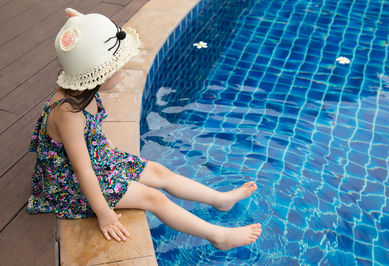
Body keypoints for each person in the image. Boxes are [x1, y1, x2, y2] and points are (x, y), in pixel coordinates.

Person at [26, 8, 262, 251]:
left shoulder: (84, 92)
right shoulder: (68, 114)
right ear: (100, 74)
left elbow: (92, 138)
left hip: (97, 162)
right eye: (117, 67)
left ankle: (219, 200)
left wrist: (111, 156)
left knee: (159, 172)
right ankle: (218, 236)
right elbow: (82, 169)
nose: (121, 71)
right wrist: (104, 213)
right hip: (71, 185)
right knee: (153, 197)